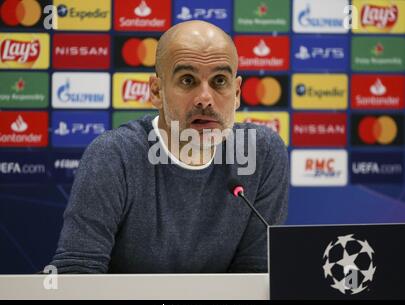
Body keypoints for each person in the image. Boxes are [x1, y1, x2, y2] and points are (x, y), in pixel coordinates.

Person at [49, 20, 289, 273]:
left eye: (219, 81)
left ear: (237, 93)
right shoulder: (114, 155)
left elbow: (256, 274)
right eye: (187, 80)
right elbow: (77, 273)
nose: (205, 99)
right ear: (156, 91)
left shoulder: (261, 153)